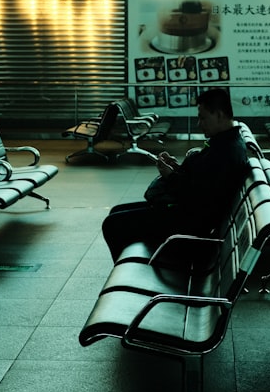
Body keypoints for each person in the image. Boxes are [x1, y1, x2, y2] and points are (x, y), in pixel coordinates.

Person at [101, 87, 250, 263]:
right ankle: (128, 266)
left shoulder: (226, 151)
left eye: (203, 118)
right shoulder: (225, 142)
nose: (199, 123)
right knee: (116, 212)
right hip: (188, 213)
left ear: (219, 115)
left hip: (189, 223)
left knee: (112, 224)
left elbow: (200, 197)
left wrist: (171, 176)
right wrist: (176, 169)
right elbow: (203, 181)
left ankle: (129, 269)